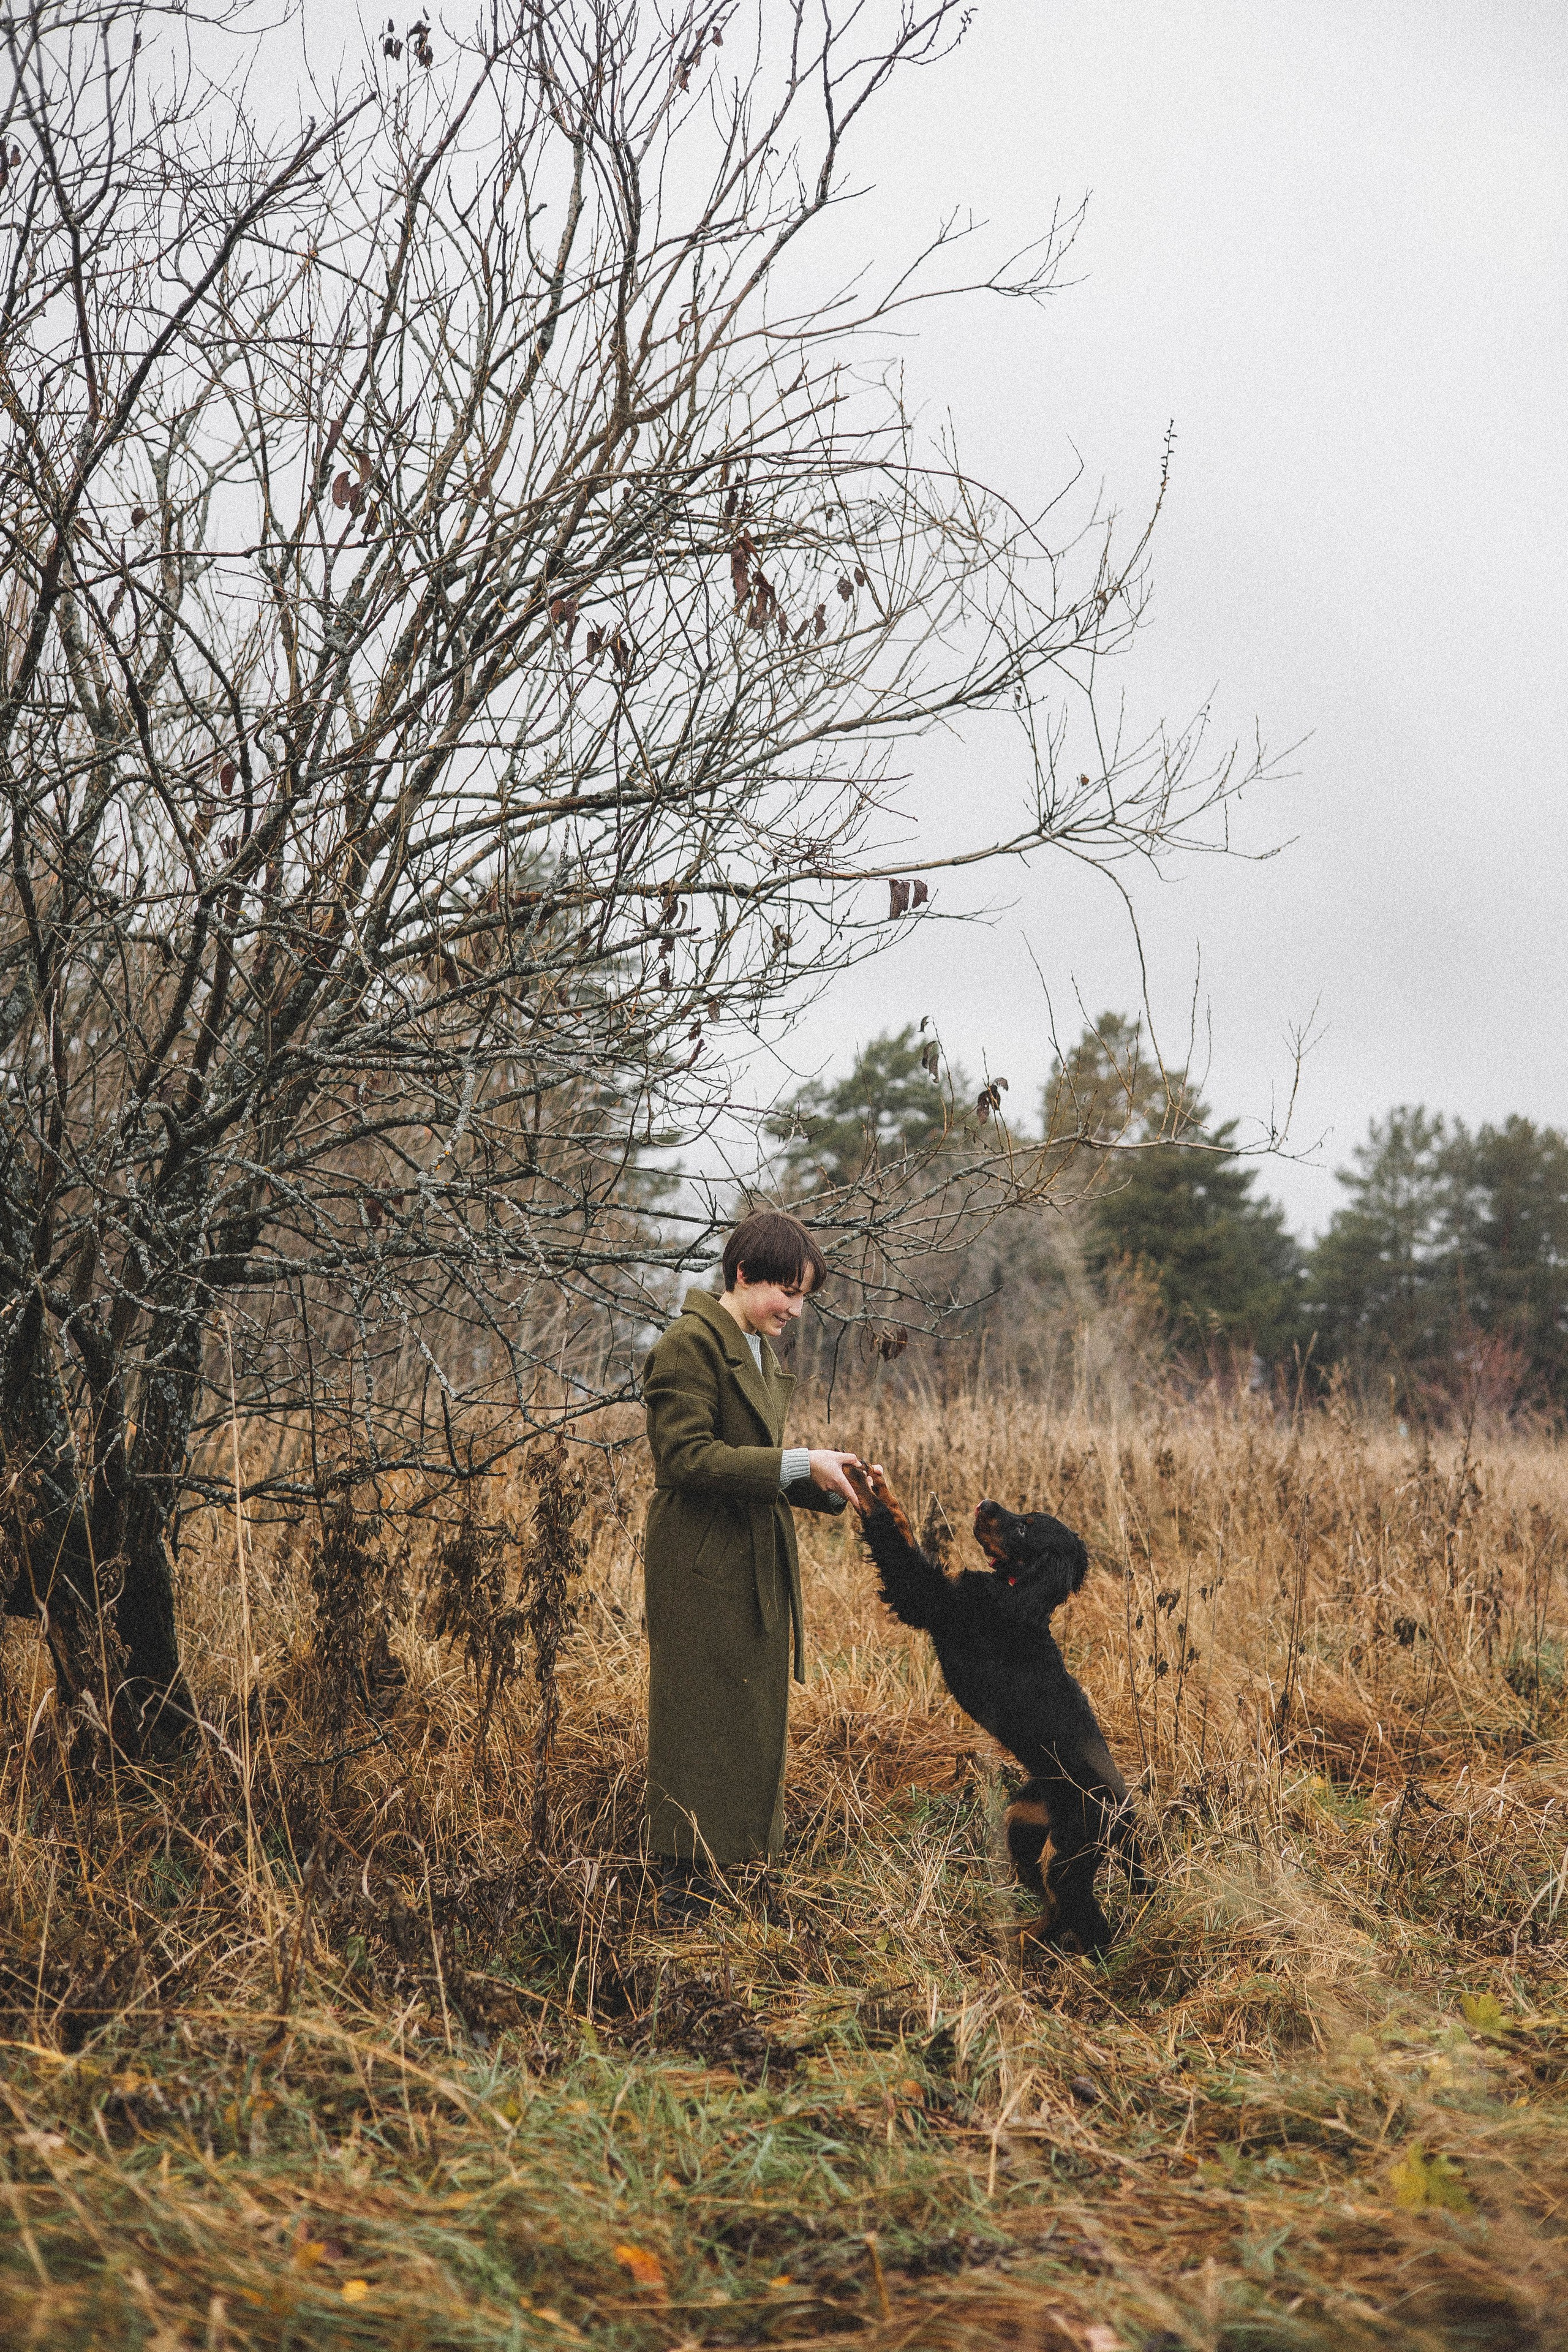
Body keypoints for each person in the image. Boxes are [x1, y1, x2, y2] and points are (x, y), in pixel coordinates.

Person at [641, 1210, 861, 1917]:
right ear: (743, 1274)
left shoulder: (750, 1346)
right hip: (701, 1563)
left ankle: (727, 1869)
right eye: (787, 1293)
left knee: (742, 1713)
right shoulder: (688, 1344)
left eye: (802, 1297)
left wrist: (823, 1481)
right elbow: (686, 1457)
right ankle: (681, 1891)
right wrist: (798, 1461)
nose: (795, 1310)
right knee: (698, 1719)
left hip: (743, 1557)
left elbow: (747, 1462)